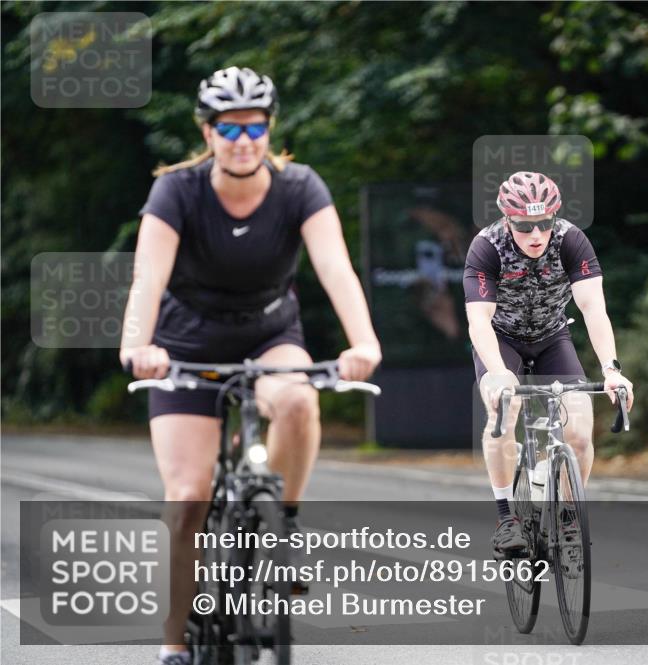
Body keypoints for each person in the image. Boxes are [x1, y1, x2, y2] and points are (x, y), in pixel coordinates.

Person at [119, 66, 382, 664]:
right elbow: (147, 276)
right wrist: (139, 343)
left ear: (270, 129)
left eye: (255, 126)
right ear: (207, 132)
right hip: (184, 345)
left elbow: (335, 269)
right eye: (229, 127)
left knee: (296, 399)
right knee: (187, 497)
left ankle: (283, 523)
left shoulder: (300, 188)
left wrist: (363, 343)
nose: (244, 139)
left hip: (269, 334)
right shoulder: (177, 191)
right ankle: (173, 643)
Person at [463, 171, 634, 564]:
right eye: (524, 226)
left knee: (579, 428)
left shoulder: (571, 239)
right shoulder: (487, 247)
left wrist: (611, 369)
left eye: (545, 222)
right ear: (508, 219)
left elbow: (593, 309)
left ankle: (569, 517)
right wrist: (498, 373)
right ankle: (507, 517)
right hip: (500, 339)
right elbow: (478, 322)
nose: (536, 234)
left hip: (552, 336)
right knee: (503, 410)